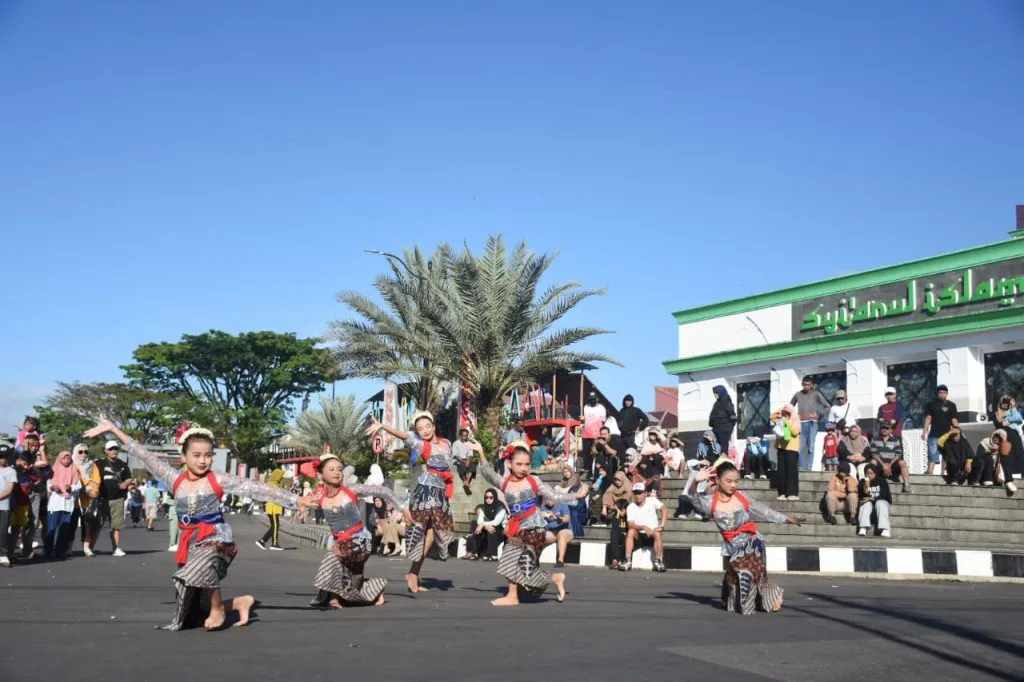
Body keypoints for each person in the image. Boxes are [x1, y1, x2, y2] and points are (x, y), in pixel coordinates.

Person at [84, 420, 297, 631]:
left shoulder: (217, 479)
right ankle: (239, 603)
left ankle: (218, 609)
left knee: (201, 564)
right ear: (184, 456)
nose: (203, 461)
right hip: (190, 543)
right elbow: (143, 454)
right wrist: (113, 429)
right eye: (196, 455)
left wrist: (296, 500)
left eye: (208, 455)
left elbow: (257, 488)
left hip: (216, 539)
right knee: (192, 615)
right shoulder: (174, 478)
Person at [685, 460, 803, 614]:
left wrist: (785, 519)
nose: (733, 485)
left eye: (736, 481)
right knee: (734, 580)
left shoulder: (742, 497)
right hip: (732, 545)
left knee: (747, 573)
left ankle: (763, 599)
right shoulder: (710, 503)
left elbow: (764, 511)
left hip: (752, 541)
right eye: (729, 481)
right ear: (718, 480)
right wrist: (695, 481)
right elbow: (693, 499)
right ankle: (770, 597)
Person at [367, 411, 455, 594]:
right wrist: (383, 426)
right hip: (427, 491)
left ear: (433, 426)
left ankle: (414, 571)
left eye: (427, 426)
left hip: (441, 491)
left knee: (435, 531)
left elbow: (449, 465)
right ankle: (413, 572)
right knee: (426, 530)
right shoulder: (423, 445)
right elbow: (404, 436)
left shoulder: (447, 443)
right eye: (420, 429)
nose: (425, 430)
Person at [478, 442, 577, 605]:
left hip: (533, 528)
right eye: (519, 464)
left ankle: (523, 591)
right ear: (509, 464)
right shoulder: (505, 484)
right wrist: (481, 452)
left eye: (527, 464)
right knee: (513, 564)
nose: (523, 468)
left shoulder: (533, 481)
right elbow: (488, 474)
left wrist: (577, 495)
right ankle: (520, 593)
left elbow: (554, 496)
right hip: (517, 527)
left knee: (518, 565)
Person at [297, 452, 399, 609]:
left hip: (360, 540)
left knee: (332, 557)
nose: (336, 472)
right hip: (342, 542)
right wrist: (298, 500)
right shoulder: (319, 497)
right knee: (352, 584)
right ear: (320, 476)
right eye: (331, 469)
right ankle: (376, 588)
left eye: (339, 469)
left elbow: (384, 491)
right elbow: (283, 497)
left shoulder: (351, 489)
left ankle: (334, 599)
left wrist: (403, 508)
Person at [96, 439, 132, 556]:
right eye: (111, 449)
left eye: (116, 448)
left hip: (117, 498)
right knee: (97, 524)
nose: (114, 451)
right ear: (106, 451)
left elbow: (129, 478)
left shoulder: (122, 464)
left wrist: (125, 483)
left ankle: (115, 548)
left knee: (116, 526)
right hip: (102, 498)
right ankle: (89, 547)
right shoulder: (99, 463)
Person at [621, 483, 667, 572]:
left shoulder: (652, 500)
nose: (637, 495)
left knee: (658, 533)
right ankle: (628, 560)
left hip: (652, 533)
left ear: (645, 493)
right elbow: (630, 524)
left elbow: (664, 508)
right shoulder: (630, 506)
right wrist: (643, 527)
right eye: (635, 493)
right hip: (638, 535)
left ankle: (658, 561)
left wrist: (662, 525)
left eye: (640, 492)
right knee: (630, 531)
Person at [45, 450, 81, 559]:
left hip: (67, 504)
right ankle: (48, 551)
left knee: (64, 529)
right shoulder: (53, 470)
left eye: (69, 459)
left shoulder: (74, 470)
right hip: (55, 504)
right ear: (59, 459)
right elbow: (48, 483)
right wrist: (53, 487)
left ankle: (60, 551)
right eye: (64, 458)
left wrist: (71, 487)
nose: (66, 461)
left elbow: (78, 485)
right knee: (51, 528)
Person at [790, 377, 830, 471]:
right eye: (804, 384)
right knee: (800, 446)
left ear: (811, 385)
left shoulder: (816, 394)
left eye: (808, 384)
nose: (806, 386)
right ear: (802, 384)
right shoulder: (797, 394)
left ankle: (809, 468)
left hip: (813, 423)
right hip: (801, 424)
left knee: (811, 446)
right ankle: (800, 467)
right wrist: (794, 418)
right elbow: (790, 407)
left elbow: (827, 407)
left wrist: (819, 414)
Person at [923, 385, 959, 476]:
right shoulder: (930, 404)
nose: (942, 394)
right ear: (937, 394)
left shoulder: (951, 405)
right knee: (932, 453)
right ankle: (930, 472)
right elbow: (928, 418)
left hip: (947, 434)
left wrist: (958, 431)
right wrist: (924, 431)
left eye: (944, 393)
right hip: (934, 434)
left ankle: (943, 472)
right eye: (940, 393)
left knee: (946, 454)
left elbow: (954, 419)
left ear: (947, 393)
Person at [72, 444, 101, 556]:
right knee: (71, 525)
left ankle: (86, 547)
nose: (83, 454)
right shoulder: (71, 464)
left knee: (88, 525)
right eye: (80, 452)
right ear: (76, 452)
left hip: (88, 501)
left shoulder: (92, 465)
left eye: (86, 452)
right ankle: (68, 546)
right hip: (73, 500)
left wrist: (93, 490)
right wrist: (86, 485)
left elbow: (97, 480)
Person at [602, 471, 632, 569]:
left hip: (628, 514)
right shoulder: (612, 488)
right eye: (615, 480)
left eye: (619, 480)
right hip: (616, 512)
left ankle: (622, 559)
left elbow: (630, 502)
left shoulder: (629, 487)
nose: (617, 482)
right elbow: (607, 495)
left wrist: (623, 510)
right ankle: (615, 559)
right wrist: (605, 507)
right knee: (614, 533)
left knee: (625, 535)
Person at [870, 422, 911, 492]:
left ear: (890, 430)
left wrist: (889, 465)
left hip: (892, 465)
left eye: (887, 428)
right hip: (880, 464)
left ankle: (907, 485)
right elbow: (874, 454)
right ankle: (872, 485)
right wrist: (884, 465)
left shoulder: (895, 440)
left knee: (902, 462)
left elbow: (898, 454)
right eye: (883, 428)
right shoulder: (875, 439)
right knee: (872, 462)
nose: (884, 430)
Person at [773, 405, 801, 500]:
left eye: (787, 411)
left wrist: (787, 421)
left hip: (792, 448)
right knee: (782, 471)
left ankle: (792, 493)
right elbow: (772, 417)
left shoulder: (795, 418)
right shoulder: (780, 418)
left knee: (791, 471)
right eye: (784, 411)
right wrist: (780, 410)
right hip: (781, 447)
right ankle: (782, 493)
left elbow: (795, 432)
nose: (785, 412)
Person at [857, 462, 892, 538]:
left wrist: (872, 498)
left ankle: (885, 529)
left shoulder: (882, 481)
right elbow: (862, 497)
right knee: (865, 503)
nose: (869, 475)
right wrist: (866, 487)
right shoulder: (862, 482)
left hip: (881, 505)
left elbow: (885, 496)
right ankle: (863, 528)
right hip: (868, 507)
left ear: (875, 473)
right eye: (867, 473)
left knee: (880, 503)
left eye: (871, 473)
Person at [472, 488, 506, 561]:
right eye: (486, 497)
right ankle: (477, 553)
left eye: (491, 497)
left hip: (500, 531)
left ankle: (493, 555)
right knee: (477, 528)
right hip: (487, 528)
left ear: (495, 497)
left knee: (492, 528)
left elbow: (496, 522)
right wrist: (484, 526)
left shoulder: (501, 508)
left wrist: (483, 525)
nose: (488, 499)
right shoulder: (483, 508)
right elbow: (479, 520)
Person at [256, 469, 286, 551]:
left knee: (274, 526)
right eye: (281, 476)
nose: (282, 478)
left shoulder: (277, 485)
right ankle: (274, 544)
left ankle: (262, 541)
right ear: (277, 476)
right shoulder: (272, 485)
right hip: (272, 508)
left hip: (275, 507)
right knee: (275, 526)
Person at [541, 498, 574, 568]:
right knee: (540, 535)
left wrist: (556, 517)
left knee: (562, 533)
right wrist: (541, 516)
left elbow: (567, 519)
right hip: (552, 532)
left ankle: (560, 560)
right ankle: (534, 558)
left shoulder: (562, 505)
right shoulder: (543, 508)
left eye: (550, 499)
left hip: (565, 530)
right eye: (547, 499)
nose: (549, 501)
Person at [581, 392, 607, 474]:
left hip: (597, 435)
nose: (592, 400)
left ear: (597, 399)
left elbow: (603, 421)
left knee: (597, 453)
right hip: (586, 434)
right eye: (590, 399)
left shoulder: (601, 408)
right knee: (586, 453)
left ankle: (597, 469)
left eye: (593, 398)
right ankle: (587, 470)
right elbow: (584, 419)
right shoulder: (586, 407)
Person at [0, 444, 17, 567]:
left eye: (5, 457)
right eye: (1, 456)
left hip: (4, 506)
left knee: (3, 531)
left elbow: (10, 488)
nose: (3, 459)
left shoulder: (11, 471)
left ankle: (2, 554)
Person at [451, 429, 483, 495]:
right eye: (463, 436)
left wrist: (468, 461)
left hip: (466, 459)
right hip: (457, 460)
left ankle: (467, 482)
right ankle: (465, 480)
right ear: (460, 436)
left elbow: (470, 455)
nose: (465, 437)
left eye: (466, 436)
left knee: (473, 466)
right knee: (462, 466)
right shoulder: (456, 443)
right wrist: (464, 461)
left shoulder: (469, 444)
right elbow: (456, 455)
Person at [709, 385, 738, 454]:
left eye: (716, 394)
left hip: (725, 430)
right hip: (716, 429)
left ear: (721, 393)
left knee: (723, 449)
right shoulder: (716, 404)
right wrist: (712, 423)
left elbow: (733, 417)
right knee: (716, 448)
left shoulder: (728, 403)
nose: (715, 396)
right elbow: (712, 415)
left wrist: (729, 426)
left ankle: (724, 460)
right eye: (714, 394)